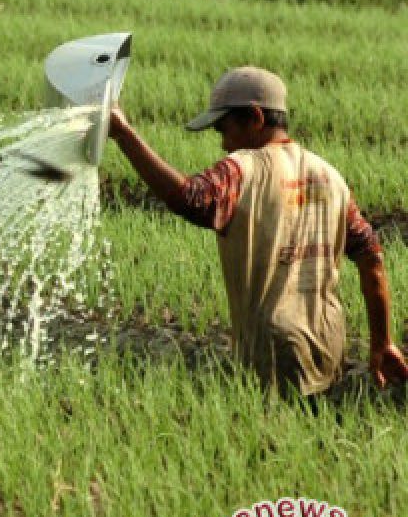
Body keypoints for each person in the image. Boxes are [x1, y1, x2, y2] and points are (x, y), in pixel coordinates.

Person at [107, 66, 408, 397]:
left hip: (273, 347)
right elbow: (373, 261)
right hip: (328, 340)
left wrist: (124, 135)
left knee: (272, 436)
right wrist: (382, 342)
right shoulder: (330, 177)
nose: (223, 143)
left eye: (225, 129)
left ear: (254, 118)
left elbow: (190, 198)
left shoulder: (242, 168)